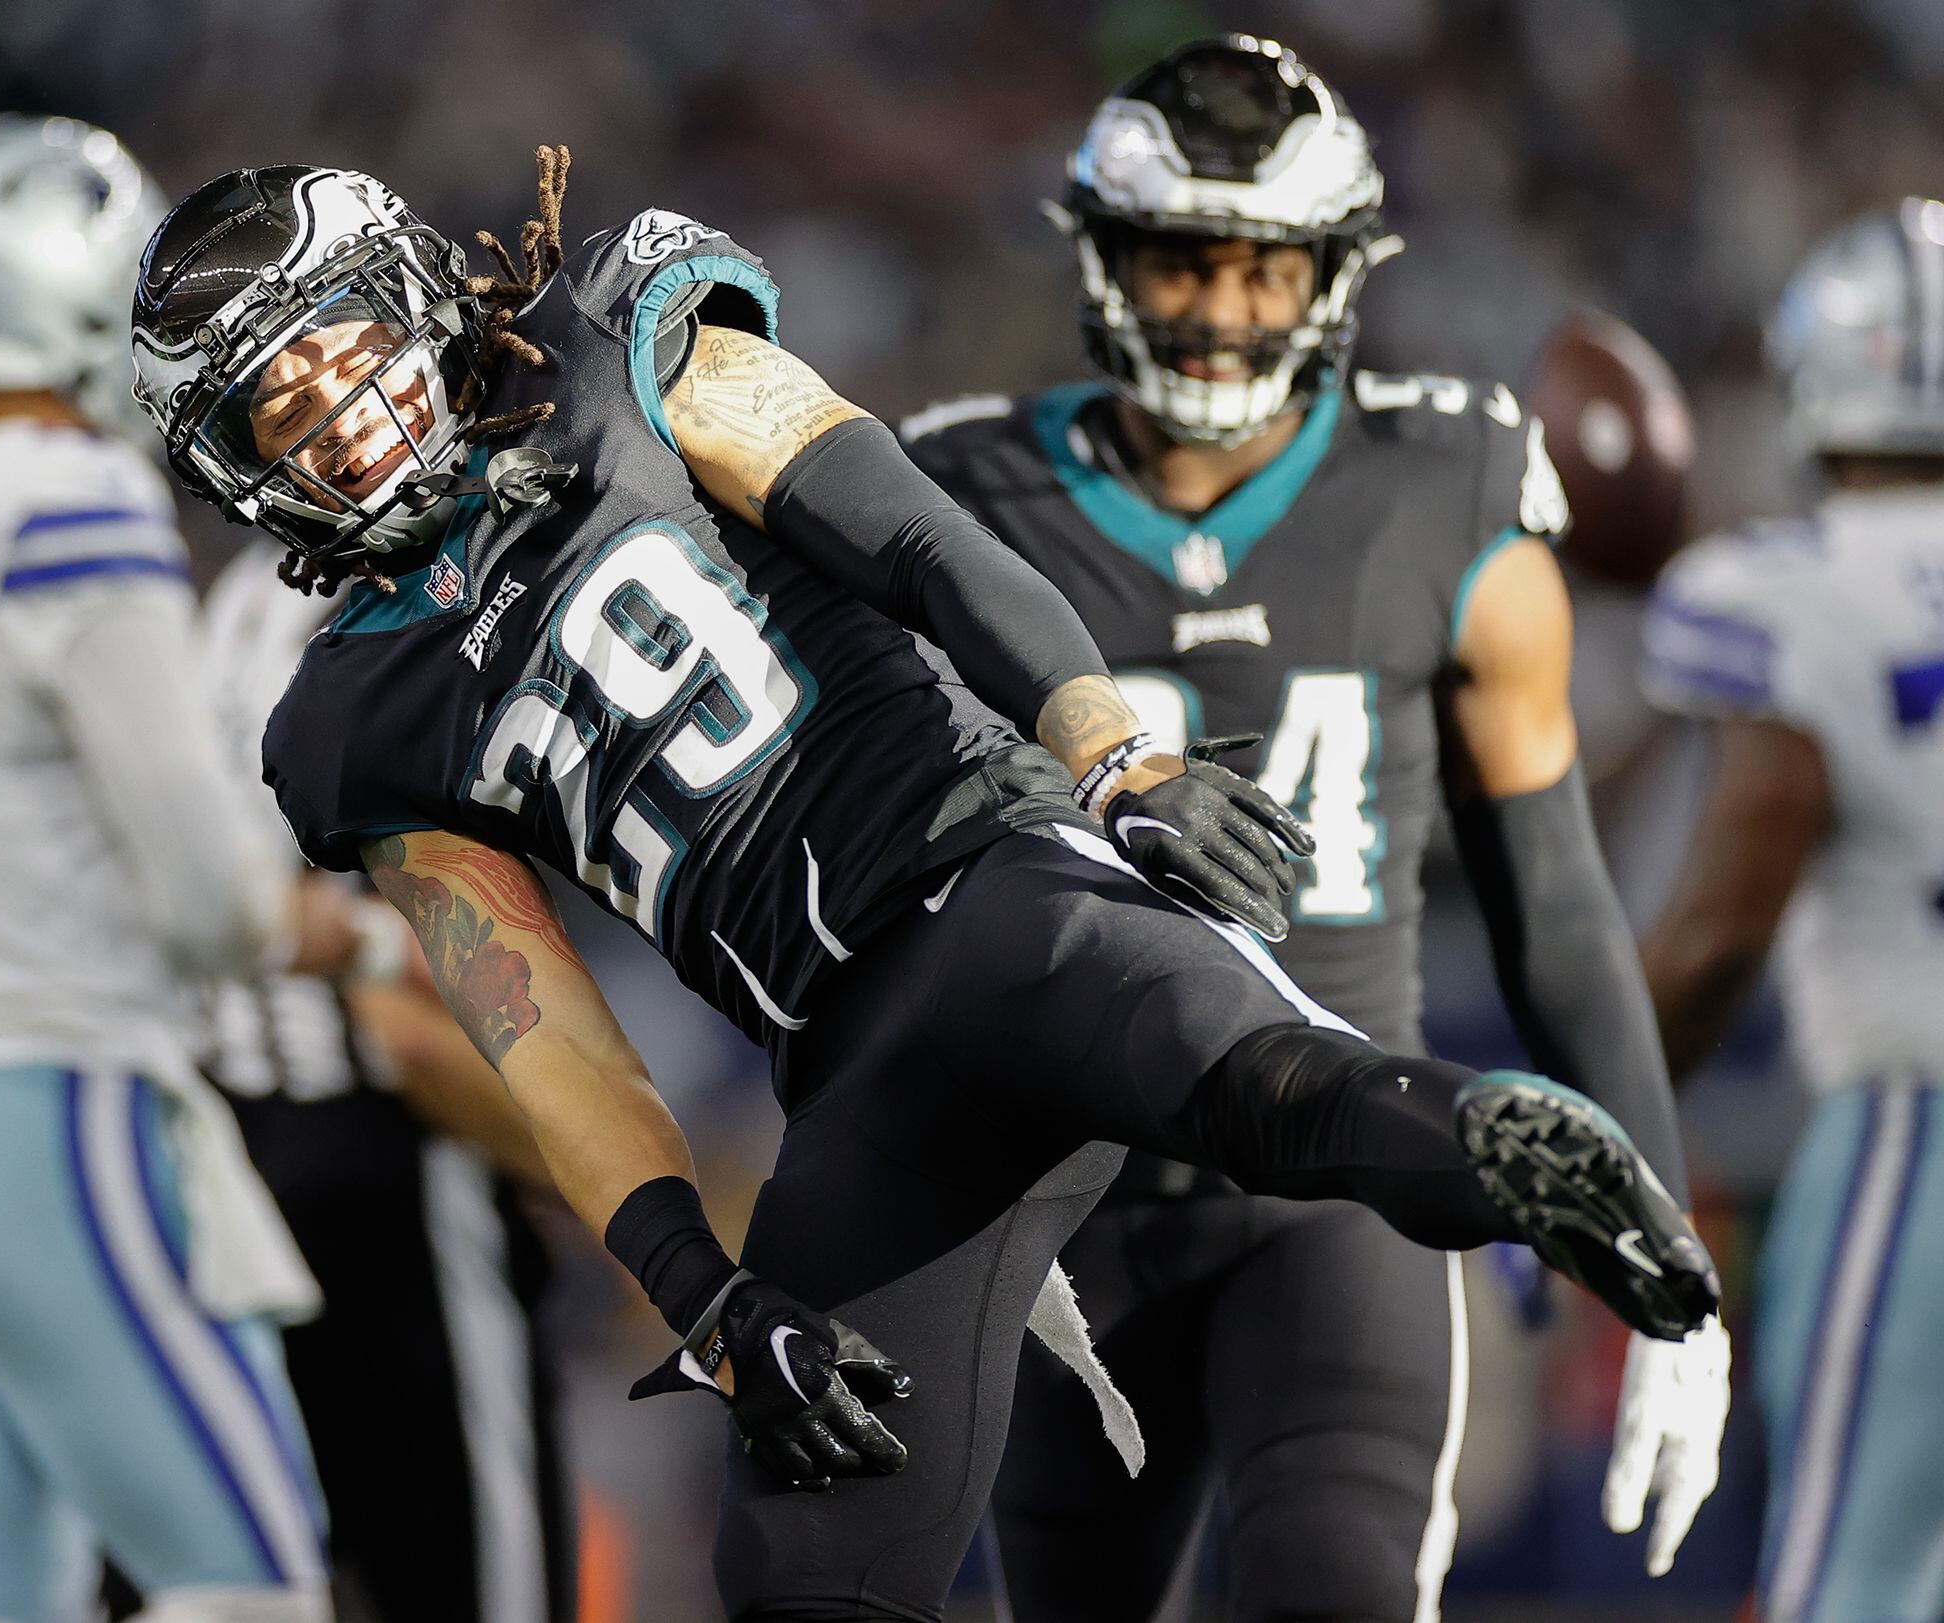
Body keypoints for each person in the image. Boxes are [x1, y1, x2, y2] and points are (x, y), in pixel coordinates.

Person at [129, 150, 1716, 1623]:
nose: (335, 417)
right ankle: (1476, 1143)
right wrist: (701, 1293)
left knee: (1259, 1077)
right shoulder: (349, 720)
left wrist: (1113, 756)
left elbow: (915, 537)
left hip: (994, 871)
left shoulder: (614, 339)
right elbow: (538, 1025)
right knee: (801, 1566)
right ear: (237, 470)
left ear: (409, 293)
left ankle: (1508, 1150)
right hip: (849, 1065)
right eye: (278, 410)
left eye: (339, 350)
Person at [899, 38, 1729, 1618]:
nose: (1220, 310)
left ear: (1334, 276)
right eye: (1180, 261)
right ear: (1102, 257)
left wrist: (1661, 1246)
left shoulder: (1445, 485)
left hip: (1346, 1189)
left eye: (1262, 269)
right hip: (1061, 1198)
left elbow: (1555, 904)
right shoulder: (959, 495)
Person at [0, 115, 356, 1623]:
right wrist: (340, 935)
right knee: (254, 1589)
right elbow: (212, 903)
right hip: (47, 1114)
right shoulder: (69, 498)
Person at [1639, 199, 1944, 1623]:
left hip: (1918, 1128)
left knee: (1854, 1584)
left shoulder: (1787, 590)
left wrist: (1594, 1096)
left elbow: (1724, 920)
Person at [196, 535, 574, 1623]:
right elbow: (406, 1018)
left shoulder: (236, 603)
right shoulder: (415, 601)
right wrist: (629, 1197)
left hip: (237, 1169)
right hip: (397, 1179)